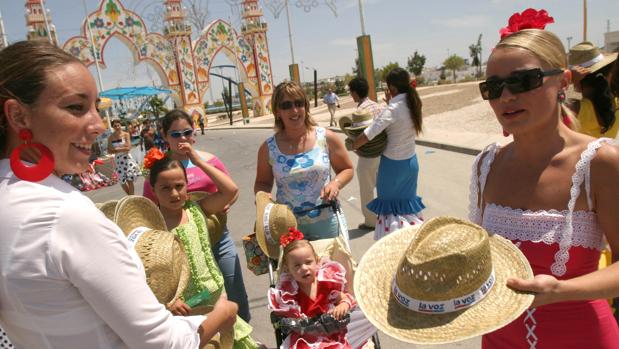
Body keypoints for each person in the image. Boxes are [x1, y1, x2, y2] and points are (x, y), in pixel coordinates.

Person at [0, 40, 237, 348]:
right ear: (18, 116)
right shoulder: (65, 215)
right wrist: (220, 313)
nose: (98, 125)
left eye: (96, 108)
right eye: (76, 107)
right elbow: (161, 343)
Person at [469, 9, 619, 348]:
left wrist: (563, 291)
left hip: (582, 336)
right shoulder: (486, 165)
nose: (506, 96)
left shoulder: (600, 163)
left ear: (563, 82)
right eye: (493, 87)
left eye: (524, 81)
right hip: (499, 337)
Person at [143, 109, 252, 322]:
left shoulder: (210, 160)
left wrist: (198, 160)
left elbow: (231, 191)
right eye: (175, 134)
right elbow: (149, 212)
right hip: (180, 250)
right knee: (200, 306)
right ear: (164, 136)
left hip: (217, 237)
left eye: (187, 132)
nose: (182, 138)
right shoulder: (159, 171)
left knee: (234, 294)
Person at [147, 155, 261, 349]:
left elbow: (230, 190)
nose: (174, 193)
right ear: (153, 190)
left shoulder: (197, 209)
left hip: (217, 297)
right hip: (186, 310)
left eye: (179, 186)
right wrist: (168, 302)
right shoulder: (152, 226)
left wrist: (196, 161)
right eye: (165, 188)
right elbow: (148, 273)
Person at [254, 81, 354, 241]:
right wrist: (264, 200)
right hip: (288, 227)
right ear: (277, 112)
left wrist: (335, 183)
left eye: (298, 103)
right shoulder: (268, 148)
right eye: (286, 105)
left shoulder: (326, 137)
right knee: (299, 267)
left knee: (332, 266)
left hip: (327, 221)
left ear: (306, 107)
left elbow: (347, 169)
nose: (294, 110)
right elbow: (262, 183)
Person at [352, 67, 425, 240]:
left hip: (392, 166)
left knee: (389, 211)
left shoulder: (392, 109)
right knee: (408, 208)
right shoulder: (413, 102)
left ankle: (393, 245)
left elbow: (370, 133)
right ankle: (412, 239)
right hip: (411, 163)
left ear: (391, 87)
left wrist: (353, 144)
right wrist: (389, 102)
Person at [268, 228, 355, 349]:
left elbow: (345, 297)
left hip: (331, 334)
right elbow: (283, 318)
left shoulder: (326, 282)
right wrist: (292, 321)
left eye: (308, 262)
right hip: (305, 338)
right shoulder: (289, 293)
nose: (304, 268)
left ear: (317, 261)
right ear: (288, 270)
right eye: (297, 266)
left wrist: (343, 305)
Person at [347, 77, 383, 230]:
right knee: (382, 187)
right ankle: (385, 217)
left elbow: (359, 138)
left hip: (368, 157)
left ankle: (371, 222)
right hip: (383, 153)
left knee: (367, 190)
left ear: (355, 93)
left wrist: (352, 146)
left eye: (351, 92)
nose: (351, 95)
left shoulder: (360, 113)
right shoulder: (379, 106)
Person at [568, 41, 619, 138]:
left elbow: (546, 108)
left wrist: (565, 81)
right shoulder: (616, 103)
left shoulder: (575, 108)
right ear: (609, 74)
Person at [107, 119, 141, 195]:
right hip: (118, 161)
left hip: (127, 159)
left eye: (118, 125)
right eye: (115, 126)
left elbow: (128, 147)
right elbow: (109, 151)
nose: (117, 127)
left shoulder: (126, 134)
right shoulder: (110, 137)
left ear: (120, 125)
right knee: (122, 182)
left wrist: (116, 149)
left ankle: (132, 198)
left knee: (129, 179)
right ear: (113, 127)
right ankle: (130, 197)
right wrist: (122, 148)